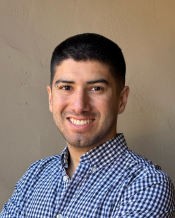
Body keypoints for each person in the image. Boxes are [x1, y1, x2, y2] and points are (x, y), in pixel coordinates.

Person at [0, 33, 175, 218]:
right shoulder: (35, 174)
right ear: (50, 98)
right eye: (66, 87)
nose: (79, 106)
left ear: (121, 100)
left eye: (96, 88)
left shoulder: (146, 185)